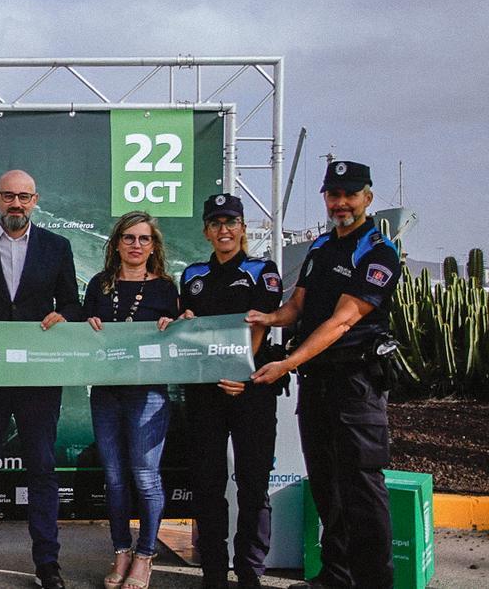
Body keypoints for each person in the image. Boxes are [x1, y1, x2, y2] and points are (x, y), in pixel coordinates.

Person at [246, 161, 400, 589]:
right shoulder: (319, 247)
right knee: (327, 486)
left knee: (362, 489)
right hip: (318, 384)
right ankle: (336, 577)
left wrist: (287, 363)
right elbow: (297, 308)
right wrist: (264, 317)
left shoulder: (377, 252)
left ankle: (373, 582)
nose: (341, 203)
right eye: (333, 195)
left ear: (367, 197)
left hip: (357, 384)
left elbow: (342, 321)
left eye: (350, 194)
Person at [0, 169, 81, 589]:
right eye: (9, 196)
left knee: (42, 469)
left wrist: (64, 316)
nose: (16, 204)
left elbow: (73, 307)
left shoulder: (57, 247)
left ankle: (47, 563)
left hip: (38, 376)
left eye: (24, 197)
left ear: (35, 200)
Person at [179, 194, 283, 589]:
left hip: (250, 388)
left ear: (243, 228)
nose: (224, 230)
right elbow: (188, 326)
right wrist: (183, 319)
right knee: (208, 483)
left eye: (231, 222)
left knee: (254, 482)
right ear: (206, 230)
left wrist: (241, 372)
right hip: (205, 390)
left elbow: (259, 325)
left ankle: (250, 571)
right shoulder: (192, 275)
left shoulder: (262, 270)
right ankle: (214, 572)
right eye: (216, 223)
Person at [83, 211, 179, 589]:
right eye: (129, 238)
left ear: (153, 245)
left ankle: (145, 555)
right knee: (115, 478)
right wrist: (85, 325)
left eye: (144, 239)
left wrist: (174, 325)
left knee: (145, 477)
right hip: (106, 391)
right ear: (117, 243)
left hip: (148, 393)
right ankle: (121, 550)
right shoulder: (98, 285)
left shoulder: (165, 288)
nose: (136, 245)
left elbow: (180, 338)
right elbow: (83, 330)